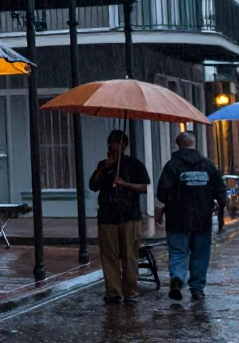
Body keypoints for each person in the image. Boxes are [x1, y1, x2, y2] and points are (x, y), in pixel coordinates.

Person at [155, 131, 226, 301]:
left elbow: (162, 194)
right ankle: (197, 289)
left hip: (177, 220)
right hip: (202, 220)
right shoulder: (208, 166)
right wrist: (218, 206)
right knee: (200, 254)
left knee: (178, 252)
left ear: (178, 145)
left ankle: (177, 279)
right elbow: (222, 193)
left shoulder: (171, 166)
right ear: (194, 143)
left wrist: (175, 200)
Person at [88, 129, 150, 305]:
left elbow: (145, 187)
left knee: (130, 255)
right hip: (107, 216)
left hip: (129, 215)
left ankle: (131, 291)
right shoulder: (103, 164)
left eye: (115, 142)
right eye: (110, 141)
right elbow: (93, 186)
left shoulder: (134, 164)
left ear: (123, 145)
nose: (111, 145)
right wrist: (101, 170)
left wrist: (125, 184)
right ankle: (113, 291)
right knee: (109, 256)